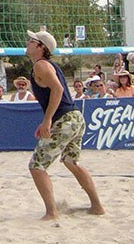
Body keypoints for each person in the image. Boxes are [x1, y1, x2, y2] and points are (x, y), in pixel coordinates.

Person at [26, 29, 104, 220]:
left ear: (40, 47)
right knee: (71, 162)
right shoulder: (48, 65)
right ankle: (97, 206)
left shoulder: (41, 66)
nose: (27, 42)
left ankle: (51, 212)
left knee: (37, 166)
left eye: (31, 40)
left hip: (65, 120)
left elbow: (58, 89)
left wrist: (47, 120)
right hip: (76, 117)